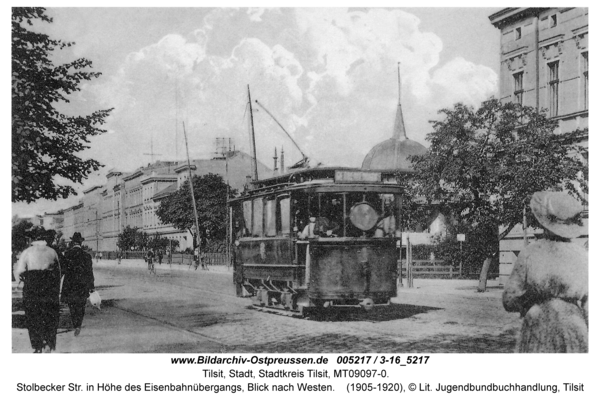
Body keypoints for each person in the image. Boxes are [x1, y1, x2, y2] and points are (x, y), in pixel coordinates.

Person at [503, 191, 588, 353]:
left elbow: (509, 300)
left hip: (538, 326)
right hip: (573, 327)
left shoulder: (531, 253)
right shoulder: (583, 256)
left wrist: (529, 300)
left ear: (544, 222)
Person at [14, 228, 62, 353]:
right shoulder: (52, 252)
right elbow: (58, 272)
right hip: (49, 287)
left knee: (32, 316)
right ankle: (49, 343)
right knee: (50, 315)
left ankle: (37, 345)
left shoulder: (27, 252)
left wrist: (23, 280)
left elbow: (19, 272)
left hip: (32, 286)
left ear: (33, 239)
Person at [62, 232, 95, 337]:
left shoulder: (67, 254)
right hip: (82, 284)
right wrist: (91, 286)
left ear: (72, 242)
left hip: (70, 284)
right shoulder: (86, 256)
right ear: (81, 242)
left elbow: (63, 270)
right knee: (81, 305)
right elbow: (89, 272)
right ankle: (78, 325)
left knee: (72, 304)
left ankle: (75, 323)